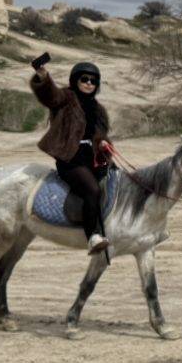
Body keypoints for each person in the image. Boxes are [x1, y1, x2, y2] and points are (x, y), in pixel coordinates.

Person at [29, 51, 112, 255]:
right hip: (70, 160)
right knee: (92, 190)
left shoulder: (98, 109)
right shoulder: (66, 98)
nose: (89, 83)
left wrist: (102, 144)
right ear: (75, 81)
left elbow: (100, 134)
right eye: (84, 79)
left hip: (91, 159)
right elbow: (50, 95)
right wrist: (42, 75)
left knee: (113, 183)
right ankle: (92, 236)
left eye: (93, 81)